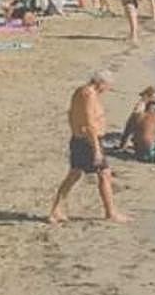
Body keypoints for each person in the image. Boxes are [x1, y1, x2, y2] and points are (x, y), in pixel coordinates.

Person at [49, 71, 128, 224]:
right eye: (107, 87)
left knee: (74, 174)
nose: (107, 90)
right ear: (101, 83)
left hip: (80, 139)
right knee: (104, 174)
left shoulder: (81, 91)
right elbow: (89, 122)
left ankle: (55, 211)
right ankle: (110, 213)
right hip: (88, 141)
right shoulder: (89, 95)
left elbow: (71, 114)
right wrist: (97, 149)